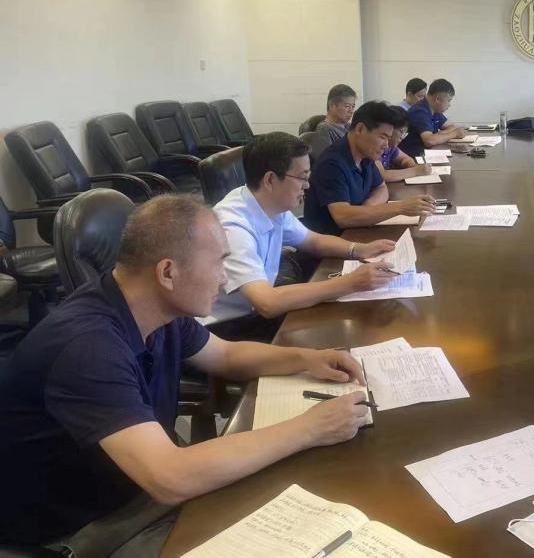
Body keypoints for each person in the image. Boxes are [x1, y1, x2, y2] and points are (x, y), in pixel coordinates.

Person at [0, 196, 372, 554]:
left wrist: (307, 358)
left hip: (131, 489)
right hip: (78, 529)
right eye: (218, 263)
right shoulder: (87, 346)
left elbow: (226, 355)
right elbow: (170, 477)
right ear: (168, 272)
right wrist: (311, 428)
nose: (224, 279)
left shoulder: (154, 308)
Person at [209, 132, 397, 342]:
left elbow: (314, 241)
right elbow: (267, 303)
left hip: (256, 310)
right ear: (270, 180)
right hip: (228, 329)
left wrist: (359, 249)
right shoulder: (233, 228)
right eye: (303, 178)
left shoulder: (270, 203)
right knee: (336, 333)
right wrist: (351, 283)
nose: (307, 186)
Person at [305, 101, 436, 232]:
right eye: (382, 137)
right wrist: (401, 207)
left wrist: (367, 210)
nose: (386, 145)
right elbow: (343, 217)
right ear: (360, 129)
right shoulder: (332, 163)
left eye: (388, 138)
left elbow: (381, 187)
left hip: (359, 231)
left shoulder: (366, 155)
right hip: (334, 239)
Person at [398, 78, 466, 159]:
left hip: (427, 154)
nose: (449, 105)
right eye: (448, 100)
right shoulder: (419, 111)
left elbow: (451, 126)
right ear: (437, 99)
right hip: (414, 158)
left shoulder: (435, 110)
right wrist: (455, 134)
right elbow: (429, 141)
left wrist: (438, 135)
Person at [377, 106, 433, 183]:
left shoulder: (391, 147)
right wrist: (415, 171)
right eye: (401, 131)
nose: (402, 137)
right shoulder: (375, 147)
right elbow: (383, 175)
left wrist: (413, 166)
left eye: (405, 133)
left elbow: (405, 159)